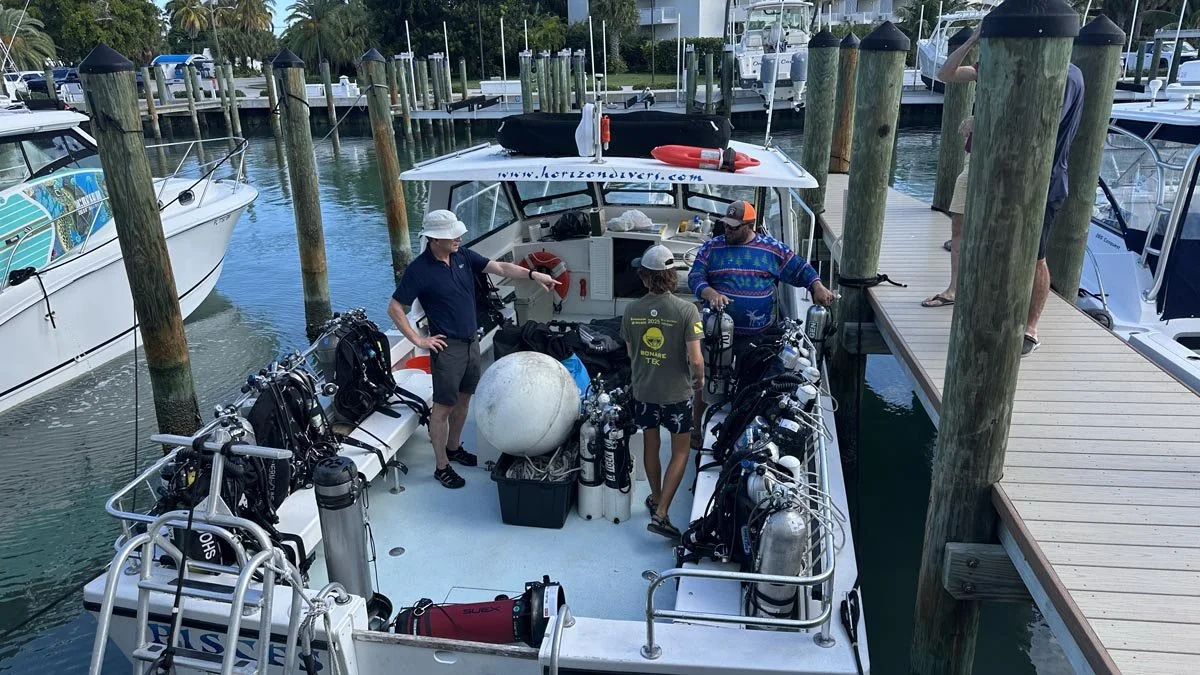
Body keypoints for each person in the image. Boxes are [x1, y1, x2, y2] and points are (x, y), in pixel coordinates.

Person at [388, 210, 559, 488]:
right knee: (442, 408)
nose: (458, 237)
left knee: (465, 399)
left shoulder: (463, 256)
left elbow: (500, 268)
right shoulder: (419, 270)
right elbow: (394, 308)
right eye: (451, 235)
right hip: (447, 347)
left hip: (471, 341)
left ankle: (454, 447)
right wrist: (419, 342)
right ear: (434, 239)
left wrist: (533, 274)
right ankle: (441, 465)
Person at [622, 245, 704, 540]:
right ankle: (662, 512)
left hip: (644, 391)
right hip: (677, 395)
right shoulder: (687, 310)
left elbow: (633, 353)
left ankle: (656, 497)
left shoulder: (631, 310)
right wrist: (701, 380)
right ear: (672, 276)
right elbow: (695, 359)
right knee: (680, 450)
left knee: (651, 445)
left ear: (645, 278)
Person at [688, 200, 835, 340]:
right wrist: (711, 294)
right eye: (726, 225)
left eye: (734, 227)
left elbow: (800, 269)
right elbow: (695, 277)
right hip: (716, 331)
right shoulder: (711, 247)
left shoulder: (773, 249)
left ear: (749, 225)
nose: (728, 231)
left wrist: (818, 286)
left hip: (757, 336)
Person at [1024, 63, 1085, 355]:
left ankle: (1030, 328)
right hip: (1017, 184)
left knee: (1037, 256)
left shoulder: (1066, 76)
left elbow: (1042, 125)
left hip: (1045, 183)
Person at [922, 29, 980, 309]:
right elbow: (946, 74)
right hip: (974, 158)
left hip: (1004, 161)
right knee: (959, 223)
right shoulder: (987, 66)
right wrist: (973, 40)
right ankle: (954, 288)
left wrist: (980, 120)